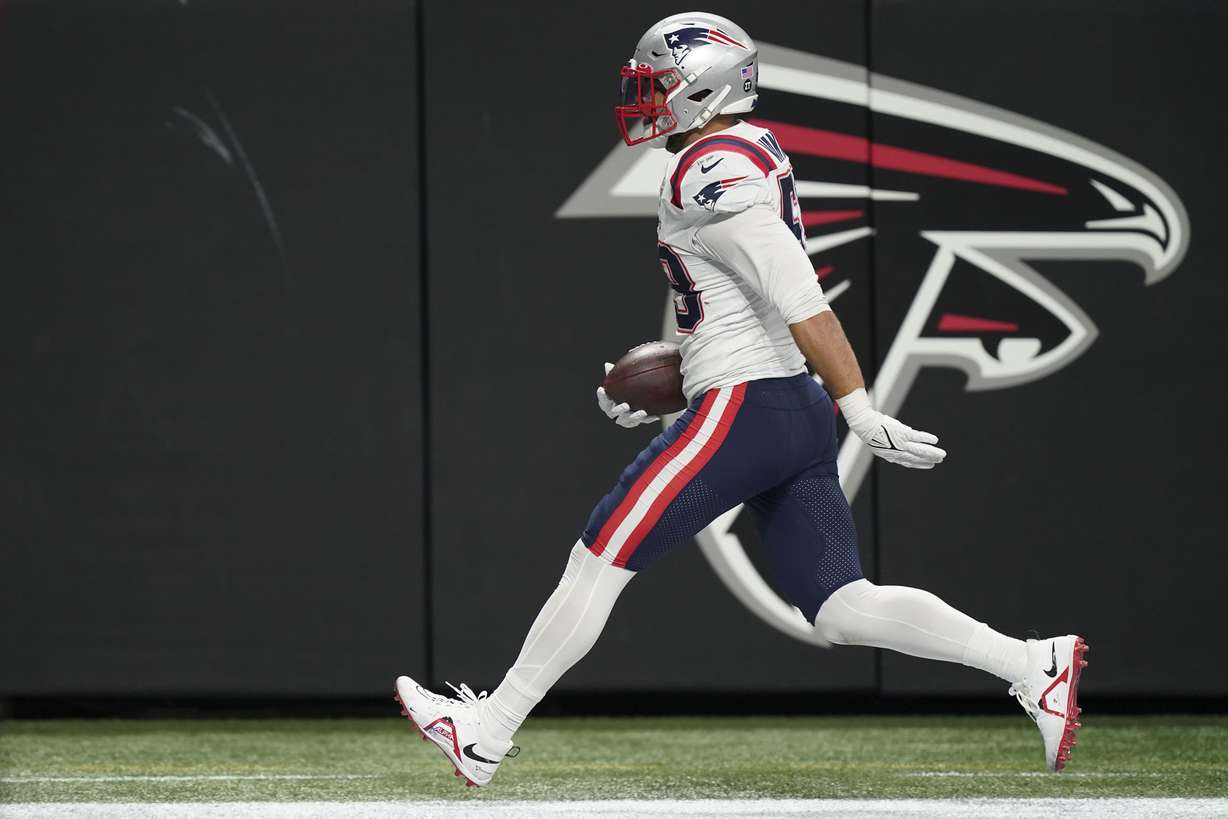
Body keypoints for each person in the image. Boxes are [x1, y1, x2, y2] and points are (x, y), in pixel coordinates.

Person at [394, 11, 1087, 787]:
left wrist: (859, 405)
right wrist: (683, 382)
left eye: (658, 82)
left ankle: (487, 731)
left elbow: (797, 292)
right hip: (785, 406)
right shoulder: (741, 147)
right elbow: (742, 303)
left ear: (701, 87)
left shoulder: (708, 168)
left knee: (601, 553)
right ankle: (1031, 663)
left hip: (748, 405)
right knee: (839, 604)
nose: (645, 96)